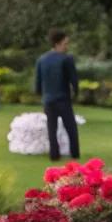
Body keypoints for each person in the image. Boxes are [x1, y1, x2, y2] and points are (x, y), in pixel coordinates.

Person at [34, 28, 80, 160]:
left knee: (51, 128)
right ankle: (74, 153)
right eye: (65, 43)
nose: (67, 46)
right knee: (71, 128)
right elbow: (73, 79)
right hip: (63, 99)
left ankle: (54, 155)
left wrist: (39, 93)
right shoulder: (67, 59)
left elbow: (38, 80)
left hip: (48, 99)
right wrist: (76, 92)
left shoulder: (42, 59)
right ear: (58, 43)